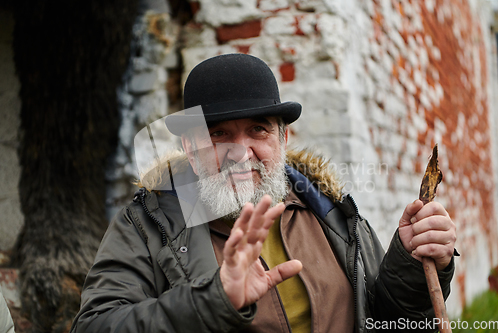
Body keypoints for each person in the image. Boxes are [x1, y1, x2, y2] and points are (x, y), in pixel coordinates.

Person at [70, 53, 457, 333]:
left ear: (283, 138)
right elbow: (95, 325)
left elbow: (388, 320)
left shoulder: (329, 209)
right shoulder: (147, 225)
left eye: (258, 130)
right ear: (189, 147)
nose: (241, 153)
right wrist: (211, 301)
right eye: (218, 134)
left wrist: (409, 261)